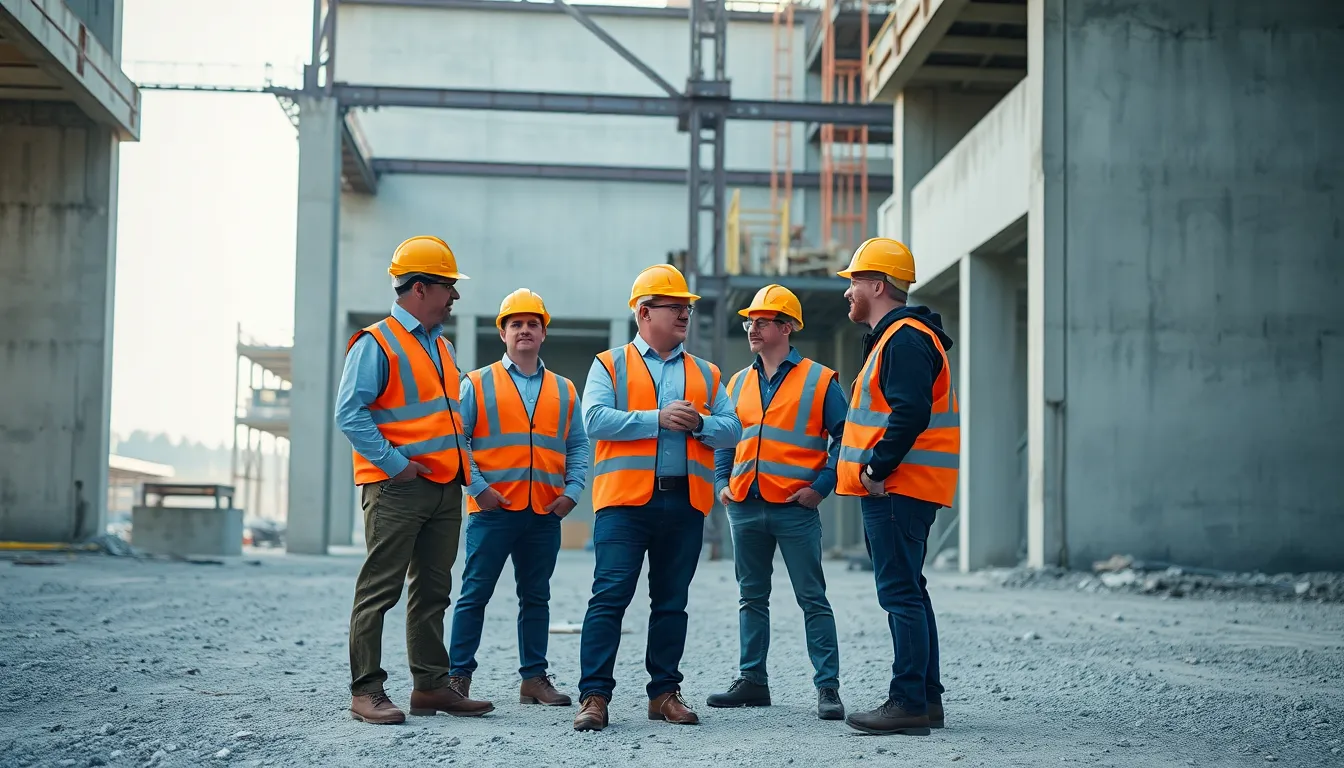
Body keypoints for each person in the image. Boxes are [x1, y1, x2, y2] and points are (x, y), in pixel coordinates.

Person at [571, 263, 742, 732]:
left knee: (671, 603)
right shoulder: (609, 364)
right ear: (645, 313)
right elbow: (595, 420)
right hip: (624, 504)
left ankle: (664, 693)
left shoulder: (705, 373)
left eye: (687, 307)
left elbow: (733, 429)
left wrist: (702, 424)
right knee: (609, 598)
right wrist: (657, 418)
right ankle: (594, 696)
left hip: (684, 504)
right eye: (675, 307)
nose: (685, 313)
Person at [335, 235, 495, 725]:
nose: (456, 297)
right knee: (379, 590)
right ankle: (366, 691)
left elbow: (449, 425)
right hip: (397, 488)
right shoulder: (376, 342)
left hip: (444, 489)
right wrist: (395, 464)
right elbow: (350, 413)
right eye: (449, 286)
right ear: (420, 288)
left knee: (433, 591)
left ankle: (430, 687)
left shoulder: (441, 347)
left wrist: (473, 482)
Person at [833, 237, 960, 736]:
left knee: (900, 594)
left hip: (896, 489)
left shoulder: (904, 338)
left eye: (854, 282)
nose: (848, 292)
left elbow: (910, 412)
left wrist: (876, 470)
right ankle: (925, 699)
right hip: (905, 487)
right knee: (912, 590)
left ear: (878, 285)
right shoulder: (901, 338)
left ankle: (907, 701)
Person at [706, 284, 848, 721]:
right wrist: (721, 482)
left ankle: (827, 688)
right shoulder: (738, 381)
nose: (752, 328)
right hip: (745, 503)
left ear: (786, 328)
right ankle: (753, 681)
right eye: (750, 321)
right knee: (751, 597)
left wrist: (821, 486)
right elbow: (728, 435)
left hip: (795, 506)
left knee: (812, 598)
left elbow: (845, 437)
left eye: (762, 322)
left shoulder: (820, 379)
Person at [446, 288, 590, 708]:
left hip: (545, 512)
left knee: (536, 597)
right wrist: (479, 489)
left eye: (532, 324)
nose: (524, 330)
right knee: (474, 595)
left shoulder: (564, 389)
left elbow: (578, 446)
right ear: (504, 334)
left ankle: (533, 679)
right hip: (493, 511)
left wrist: (572, 493)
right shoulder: (475, 382)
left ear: (543, 333)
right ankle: (458, 678)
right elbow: (460, 442)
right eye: (516, 324)